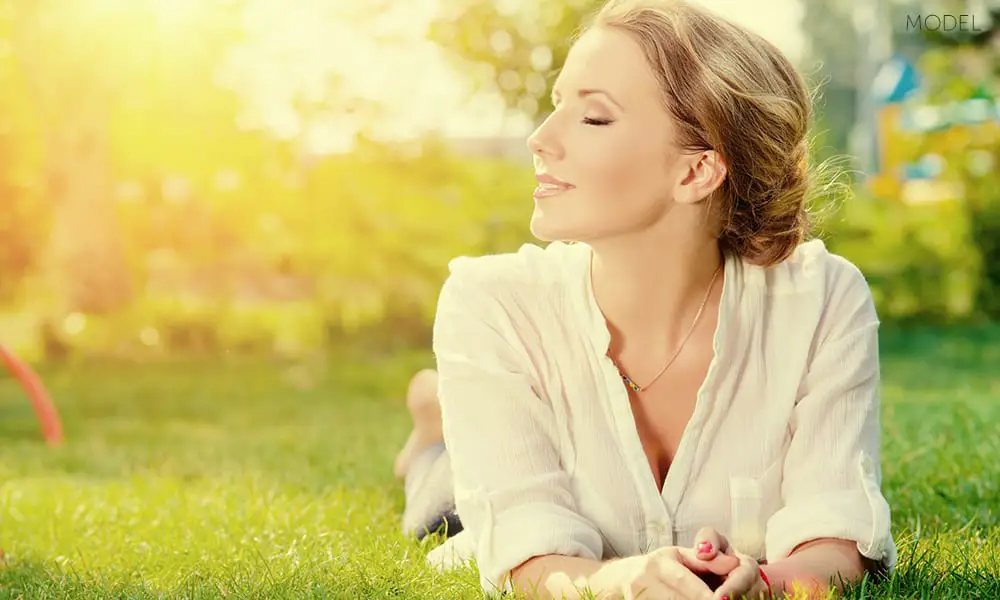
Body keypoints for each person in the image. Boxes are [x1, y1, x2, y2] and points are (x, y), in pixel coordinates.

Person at [393, 0, 897, 597]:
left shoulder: (820, 300)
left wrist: (765, 583)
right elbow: (526, 556)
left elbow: (837, 540)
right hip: (483, 479)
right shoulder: (491, 304)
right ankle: (432, 432)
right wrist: (626, 582)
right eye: (558, 105)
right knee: (438, 507)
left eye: (594, 118)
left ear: (695, 172)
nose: (539, 138)